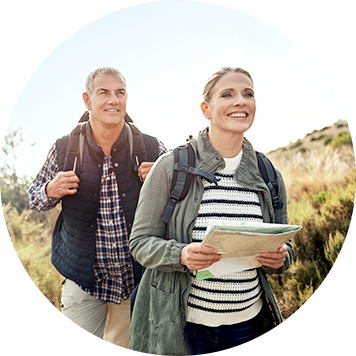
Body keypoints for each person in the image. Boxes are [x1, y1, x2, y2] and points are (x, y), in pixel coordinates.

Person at [129, 67, 294, 355]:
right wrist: (181, 254)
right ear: (206, 109)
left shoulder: (269, 174)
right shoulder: (170, 167)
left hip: (250, 326)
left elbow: (285, 247)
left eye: (248, 94)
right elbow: (140, 243)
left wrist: (280, 257)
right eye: (227, 94)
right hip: (187, 329)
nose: (240, 101)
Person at [28, 67, 167, 348]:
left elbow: (182, 204)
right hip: (82, 280)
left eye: (120, 92)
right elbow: (34, 198)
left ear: (127, 98)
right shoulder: (63, 148)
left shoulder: (152, 148)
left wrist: (163, 183)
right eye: (104, 92)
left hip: (135, 279)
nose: (113, 100)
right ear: (87, 100)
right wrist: (49, 190)